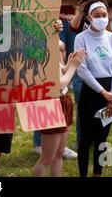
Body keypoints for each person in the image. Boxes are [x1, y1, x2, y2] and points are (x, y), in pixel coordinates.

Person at [74, 0, 112, 177]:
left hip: (110, 91)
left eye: (104, 15)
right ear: (88, 17)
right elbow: (82, 70)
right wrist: (103, 93)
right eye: (97, 15)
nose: (101, 18)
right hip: (91, 92)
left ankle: (98, 174)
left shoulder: (111, 37)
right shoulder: (81, 38)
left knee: (103, 139)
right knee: (86, 139)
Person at [33, 42, 86, 177]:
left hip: (62, 101)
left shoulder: (49, 51)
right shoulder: (37, 53)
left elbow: (60, 72)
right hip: (50, 104)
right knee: (46, 159)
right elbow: (58, 84)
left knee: (59, 153)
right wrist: (73, 66)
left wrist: (68, 64)